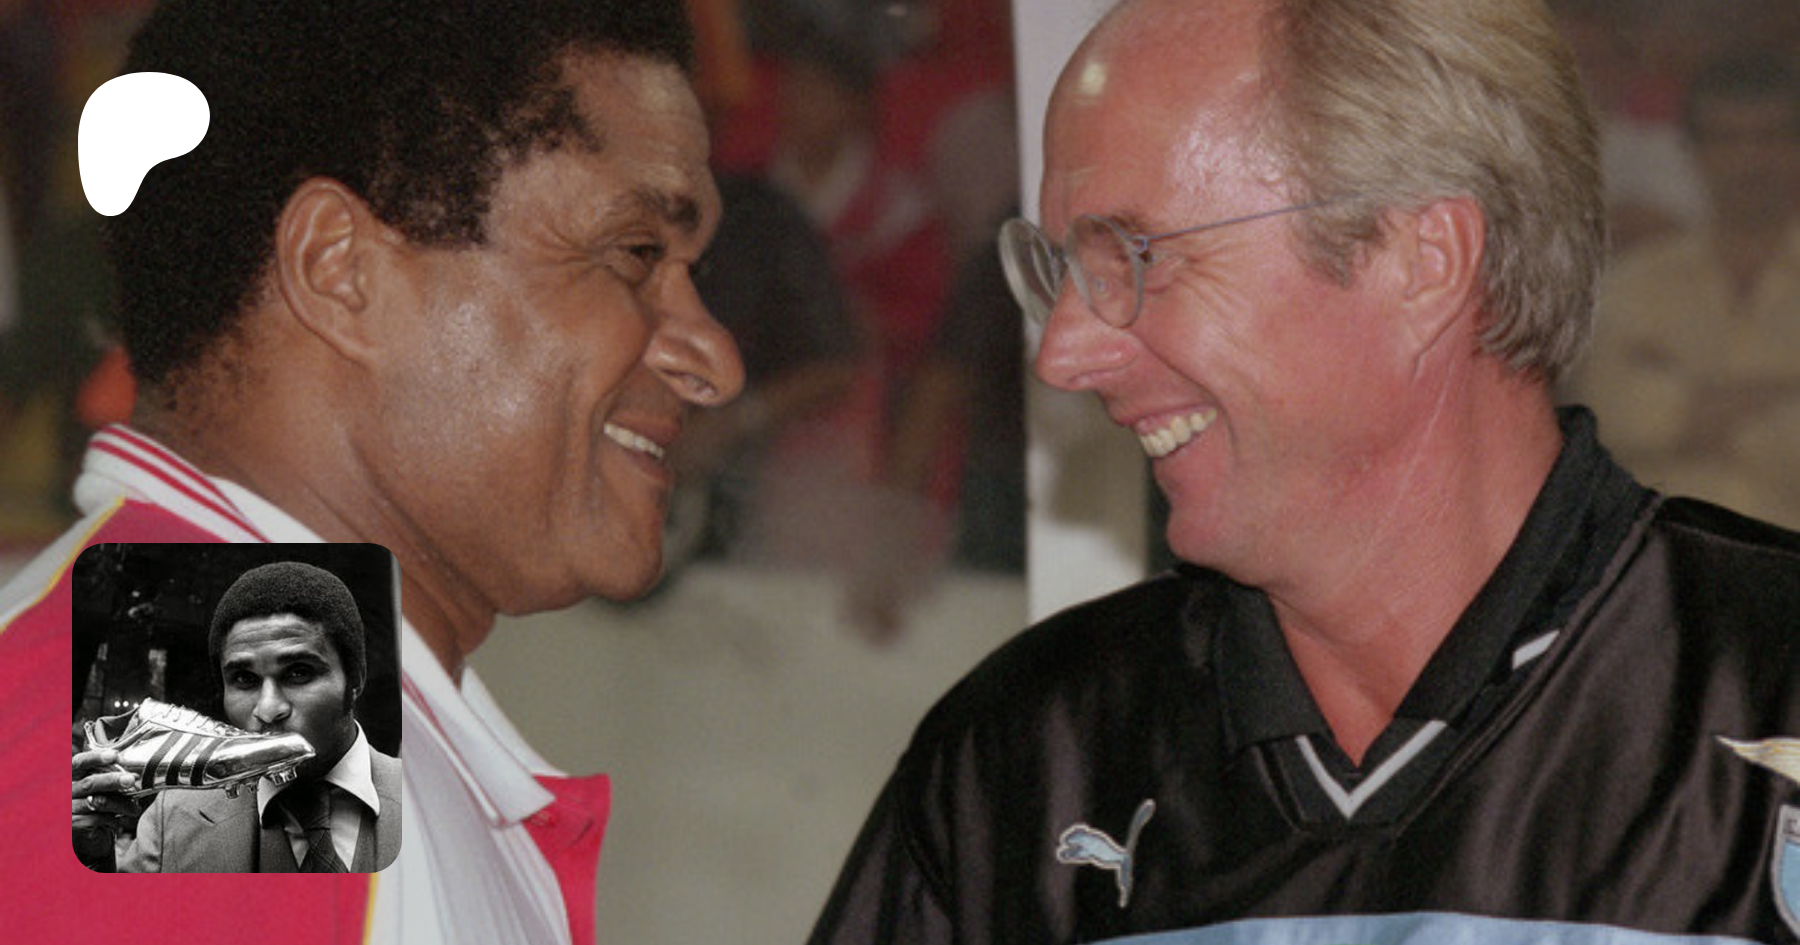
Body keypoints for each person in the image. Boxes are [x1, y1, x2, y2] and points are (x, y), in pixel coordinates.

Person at [807, 0, 1800, 942]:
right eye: (1061, 269)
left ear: (1422, 261)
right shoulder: (1027, 761)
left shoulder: (1768, 691)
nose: (1062, 354)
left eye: (1135, 259)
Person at [3, 0, 742, 941]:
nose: (715, 359)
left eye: (690, 271)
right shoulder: (211, 727)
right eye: (636, 253)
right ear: (340, 270)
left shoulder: (266, 712)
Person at [1569, 49, 1800, 530]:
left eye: (1771, 137)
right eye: (1727, 139)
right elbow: (1609, 413)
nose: (1750, 159)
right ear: (1692, 150)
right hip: (1664, 563)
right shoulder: (1634, 284)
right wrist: (1776, 398)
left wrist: (1678, 403)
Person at [83, 560, 403, 873]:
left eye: (299, 672)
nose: (268, 709)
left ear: (356, 679)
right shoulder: (173, 818)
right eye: (244, 679)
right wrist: (89, 855)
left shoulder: (427, 800)